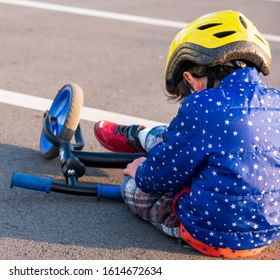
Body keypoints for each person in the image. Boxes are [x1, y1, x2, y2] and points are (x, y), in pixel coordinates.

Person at [94, 10, 280, 258]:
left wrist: (139, 170)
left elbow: (156, 180)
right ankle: (144, 136)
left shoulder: (202, 105)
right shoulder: (276, 102)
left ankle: (142, 139)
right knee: (192, 140)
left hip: (208, 235)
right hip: (267, 234)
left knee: (131, 186)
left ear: (191, 78)